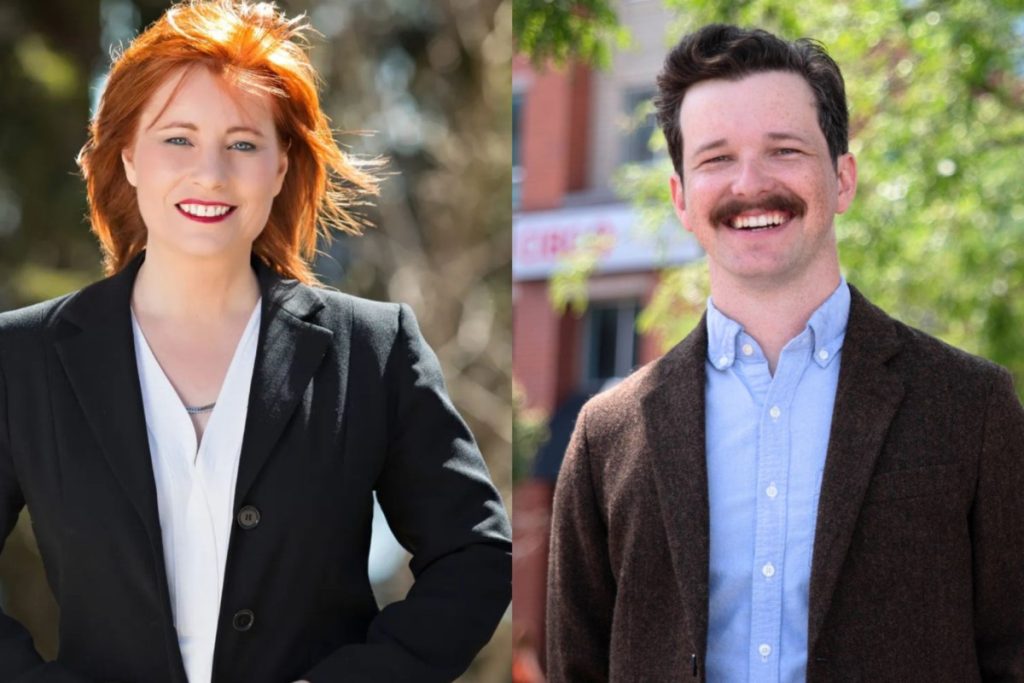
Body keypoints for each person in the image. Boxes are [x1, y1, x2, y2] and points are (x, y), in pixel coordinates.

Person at [0, 2, 511, 682]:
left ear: (280, 167)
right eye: (177, 139)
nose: (210, 172)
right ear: (126, 157)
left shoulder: (373, 349)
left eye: (243, 143)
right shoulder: (22, 358)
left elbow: (476, 556)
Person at [546, 23, 1024, 682]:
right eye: (716, 158)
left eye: (784, 150)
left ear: (843, 179)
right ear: (681, 198)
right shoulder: (605, 437)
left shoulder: (973, 408)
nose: (750, 183)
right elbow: (577, 665)